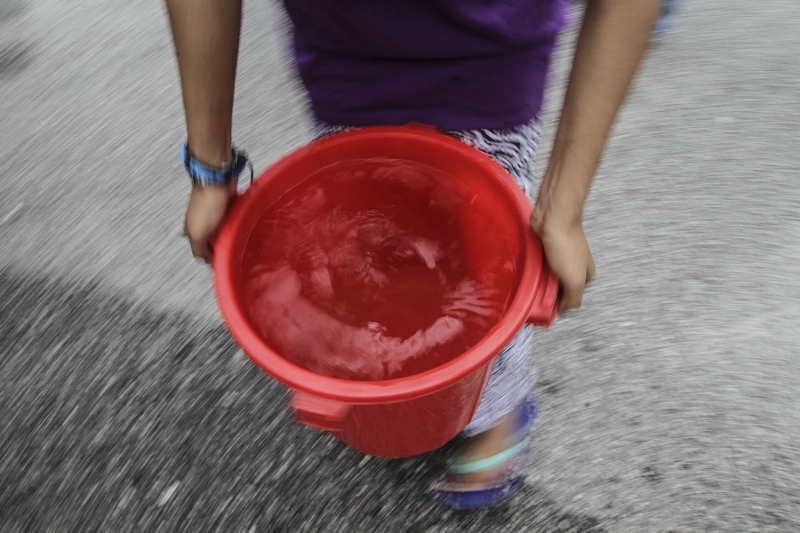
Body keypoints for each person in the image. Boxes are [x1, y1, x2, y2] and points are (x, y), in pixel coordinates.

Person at [166, 0, 661, 510]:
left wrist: (562, 208)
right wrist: (210, 167)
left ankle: (498, 407)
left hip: (486, 63)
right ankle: (396, 384)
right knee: (361, 246)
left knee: (491, 262)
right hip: (345, 59)